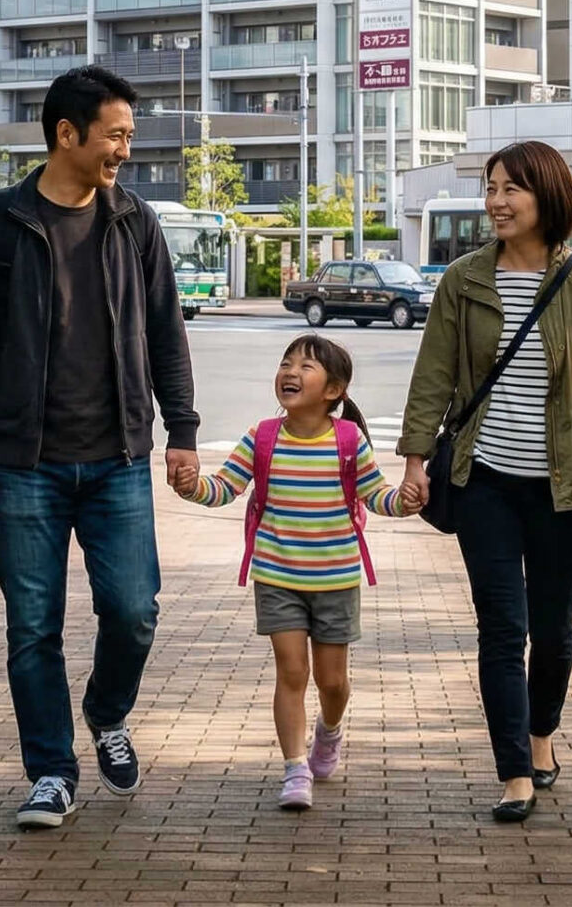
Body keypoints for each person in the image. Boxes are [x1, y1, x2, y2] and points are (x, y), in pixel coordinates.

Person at [0, 66, 199, 831]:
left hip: (119, 456)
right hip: (27, 463)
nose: (126, 148)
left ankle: (106, 709)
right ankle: (52, 770)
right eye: (116, 134)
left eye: (128, 134)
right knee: (33, 626)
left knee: (134, 611)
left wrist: (182, 431)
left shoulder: (135, 222)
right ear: (67, 133)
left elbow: (166, 332)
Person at [397, 139, 572, 824]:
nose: (496, 201)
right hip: (484, 481)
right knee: (502, 627)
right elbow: (434, 375)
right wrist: (414, 460)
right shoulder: (464, 279)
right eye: (491, 188)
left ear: (546, 196)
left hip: (563, 485)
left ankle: (541, 733)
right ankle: (515, 772)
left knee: (553, 629)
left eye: (511, 189)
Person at [172, 334, 408, 811]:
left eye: (306, 366)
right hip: (277, 575)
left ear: (333, 390)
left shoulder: (348, 440)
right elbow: (224, 488)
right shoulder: (262, 437)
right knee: (292, 671)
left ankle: (329, 730)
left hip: (336, 579)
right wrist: (192, 487)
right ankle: (295, 767)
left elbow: (377, 495)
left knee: (332, 681)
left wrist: (406, 501)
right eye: (286, 363)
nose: (291, 372)